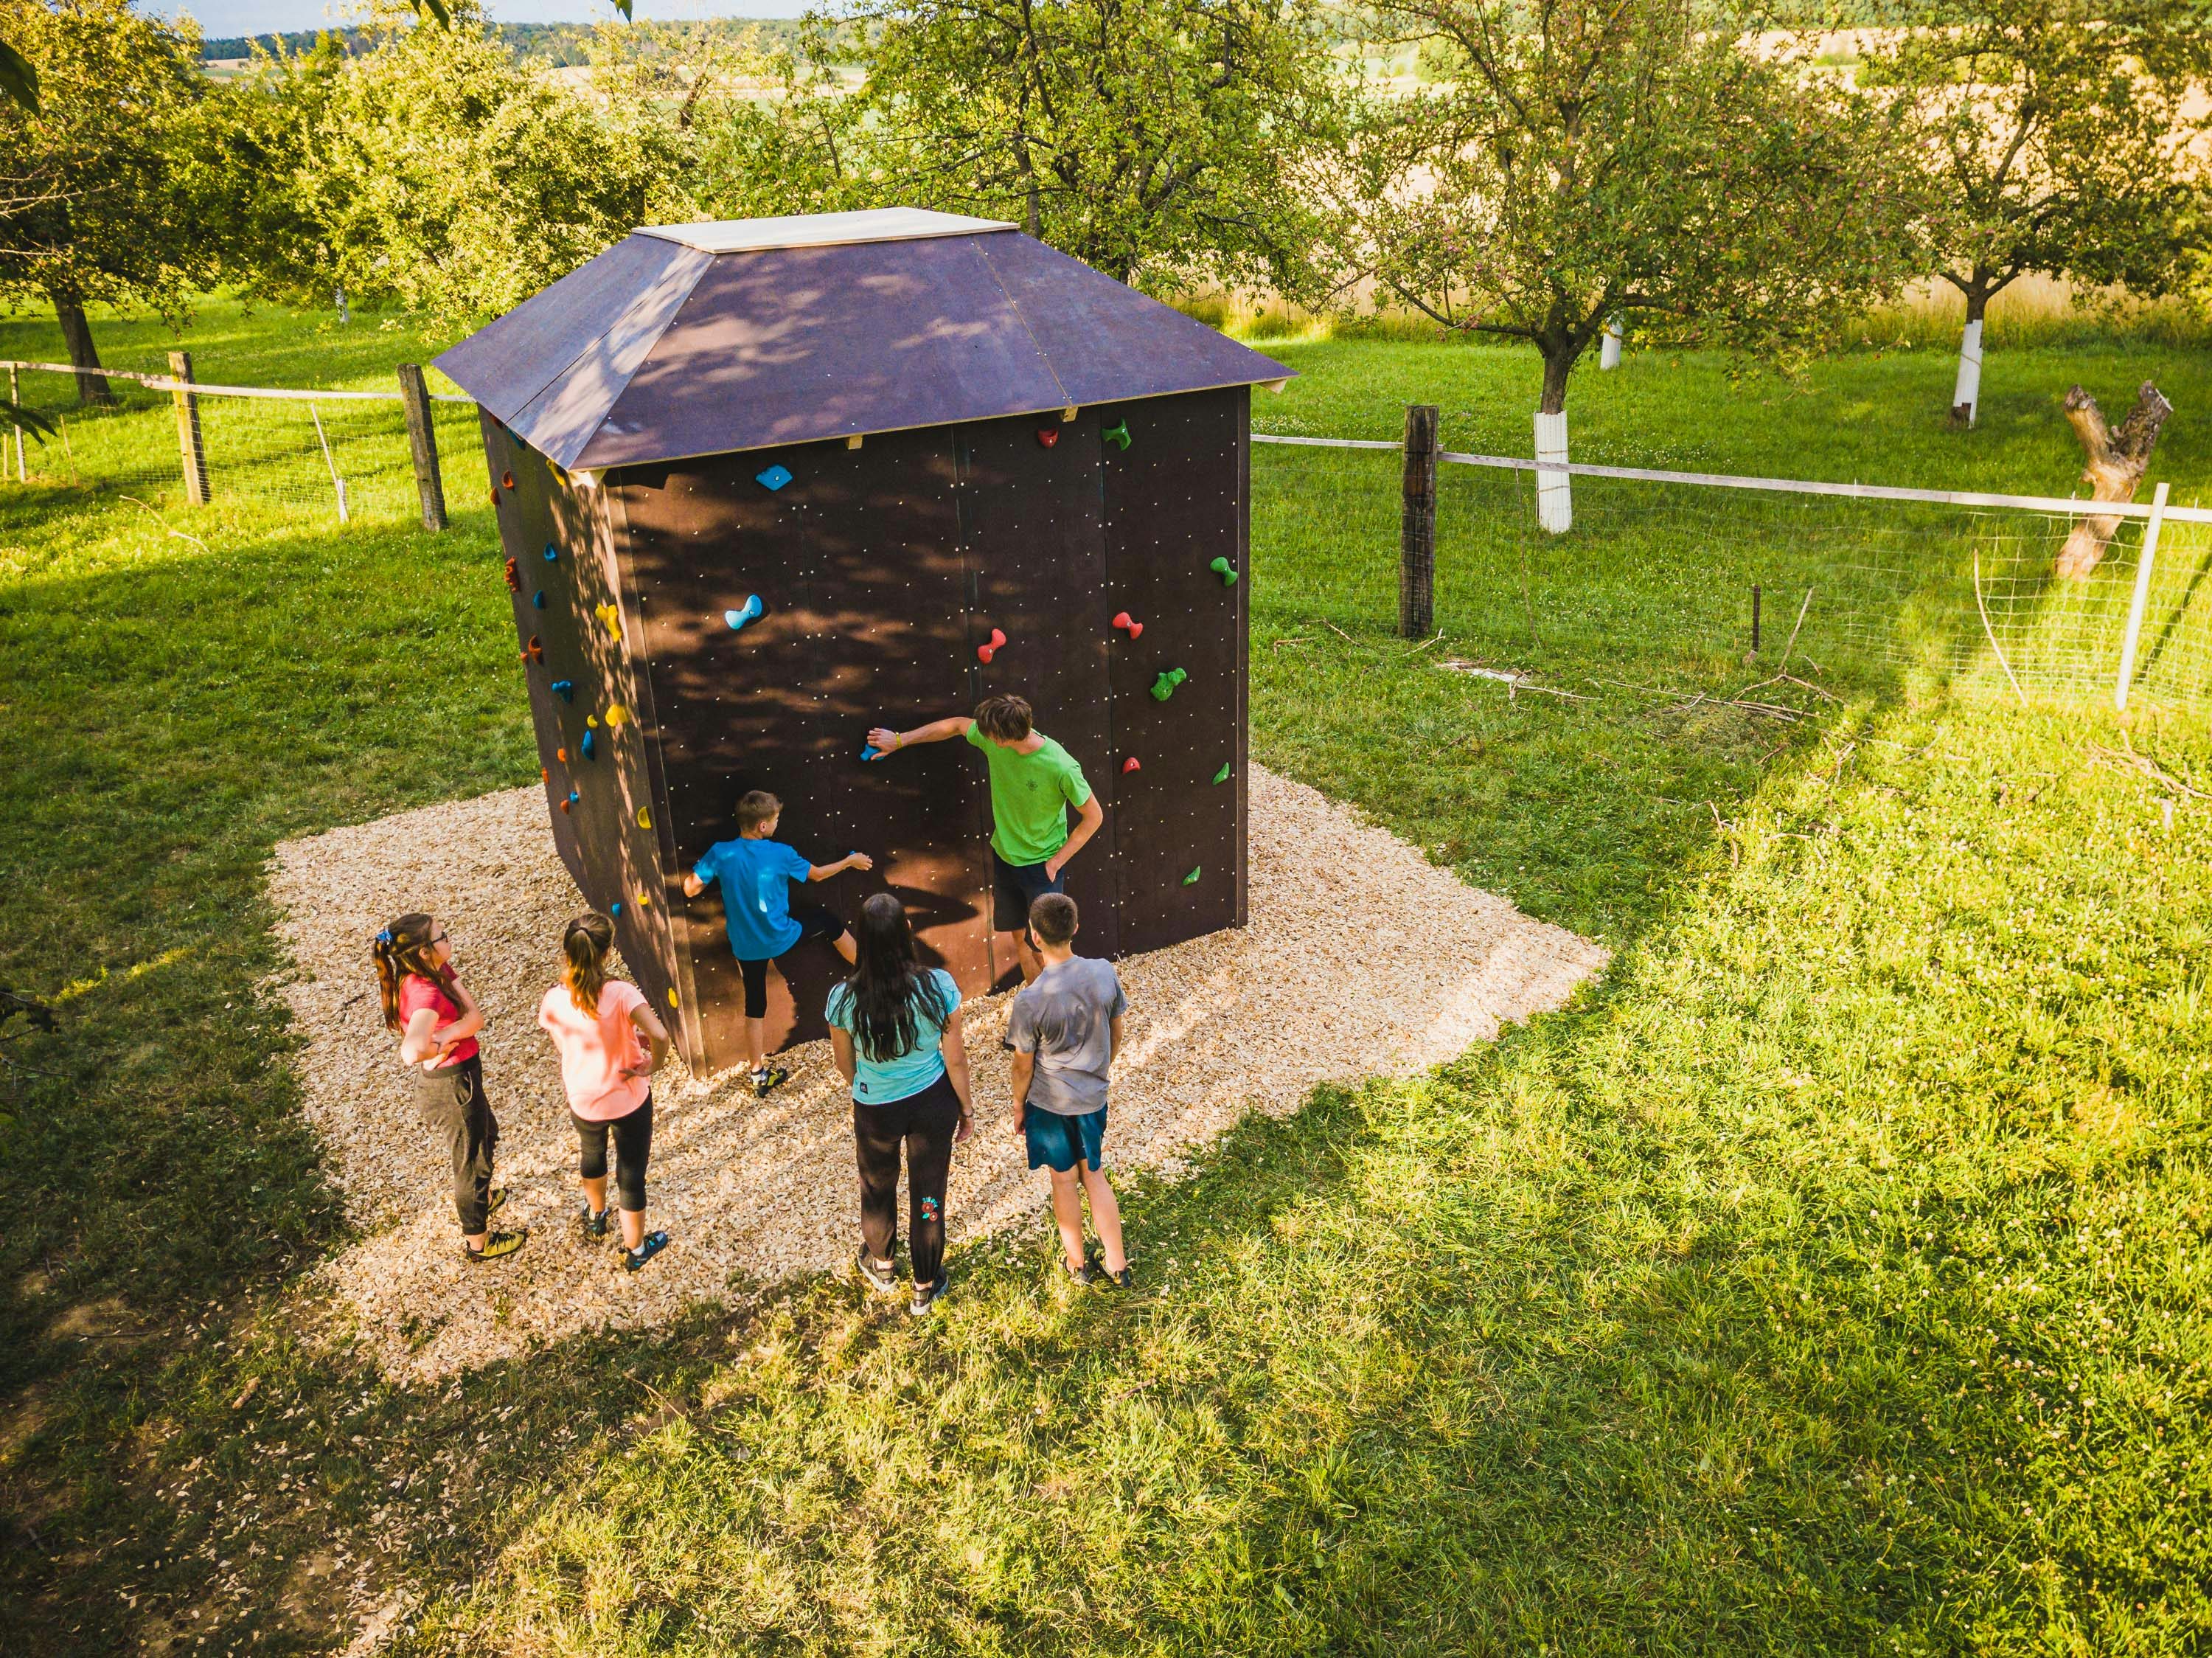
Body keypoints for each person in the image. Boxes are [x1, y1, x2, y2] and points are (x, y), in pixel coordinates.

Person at [866, 694, 1102, 984]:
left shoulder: (1061, 766)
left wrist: (1056, 862)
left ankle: (1062, 1017)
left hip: (1042, 866)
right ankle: (1036, 1008)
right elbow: (954, 726)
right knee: (1020, 939)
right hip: (1005, 857)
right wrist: (899, 740)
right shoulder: (996, 740)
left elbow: (1094, 816)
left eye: (987, 732)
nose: (979, 733)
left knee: (1048, 950)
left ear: (1003, 738)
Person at [827, 892, 975, 1314]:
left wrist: (871, 1086)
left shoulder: (842, 998)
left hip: (876, 1108)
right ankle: (925, 1284)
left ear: (863, 943)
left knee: (877, 1185)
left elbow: (845, 1062)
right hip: (932, 1103)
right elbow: (955, 1057)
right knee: (929, 1192)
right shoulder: (939, 987)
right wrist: (965, 1109)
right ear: (907, 933)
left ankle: (883, 1264)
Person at [684, 789, 873, 1097]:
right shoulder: (781, 853)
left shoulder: (721, 852)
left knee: (755, 1005)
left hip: (746, 946)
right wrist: (849, 861)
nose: (777, 824)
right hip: (781, 936)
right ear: (763, 827)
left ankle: (758, 1075)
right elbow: (820, 875)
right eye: (775, 819)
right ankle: (869, 970)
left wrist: (707, 873)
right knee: (829, 923)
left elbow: (691, 889)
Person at [372, 913, 526, 1262]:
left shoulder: (437, 973)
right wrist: (440, 1045)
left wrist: (449, 1033)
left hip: (464, 1080)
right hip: (453, 1087)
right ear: (424, 952)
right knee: (471, 1164)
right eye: (442, 936)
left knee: (487, 1135)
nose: (448, 939)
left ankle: (481, 1199)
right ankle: (479, 1243)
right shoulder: (425, 992)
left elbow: (476, 1018)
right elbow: (412, 1050)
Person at [1006, 893, 1131, 1288]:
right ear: (1075, 928)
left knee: (1063, 1180)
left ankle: (1076, 1264)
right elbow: (1117, 1033)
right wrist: (1099, 1070)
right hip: (1093, 1099)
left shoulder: (1030, 1001)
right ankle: (1118, 1264)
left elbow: (1023, 1064)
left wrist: (1018, 1105)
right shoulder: (1103, 972)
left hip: (1049, 1104)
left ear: (1034, 936)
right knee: (1095, 1175)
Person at [536, 912, 673, 1272]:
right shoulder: (621, 992)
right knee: (631, 1174)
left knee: (592, 1153)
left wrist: (623, 1038)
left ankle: (596, 1213)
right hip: (628, 1097)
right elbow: (660, 1035)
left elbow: (565, 1044)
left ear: (568, 952)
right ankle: (636, 1249)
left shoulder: (553, 999)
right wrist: (651, 1064)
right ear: (607, 953)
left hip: (584, 1098)